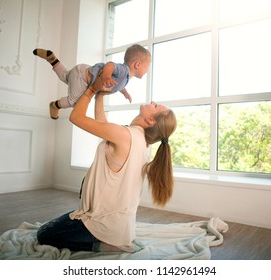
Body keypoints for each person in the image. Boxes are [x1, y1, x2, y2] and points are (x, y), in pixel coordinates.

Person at [37, 74, 177, 253]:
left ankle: (103, 246)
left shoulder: (126, 136)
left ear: (151, 121)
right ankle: (109, 239)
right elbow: (101, 124)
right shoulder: (139, 140)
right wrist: (101, 95)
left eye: (156, 106)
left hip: (103, 226)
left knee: (44, 234)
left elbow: (76, 117)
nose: (153, 101)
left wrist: (93, 88)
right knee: (61, 223)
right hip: (117, 226)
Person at [33, 44, 151, 119]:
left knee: (65, 76)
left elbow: (119, 85)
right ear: (137, 64)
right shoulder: (124, 70)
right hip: (83, 78)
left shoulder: (125, 78)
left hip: (82, 71)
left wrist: (124, 92)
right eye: (147, 66)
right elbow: (110, 65)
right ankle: (54, 105)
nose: (147, 70)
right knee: (74, 102)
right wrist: (106, 76)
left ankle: (53, 60)